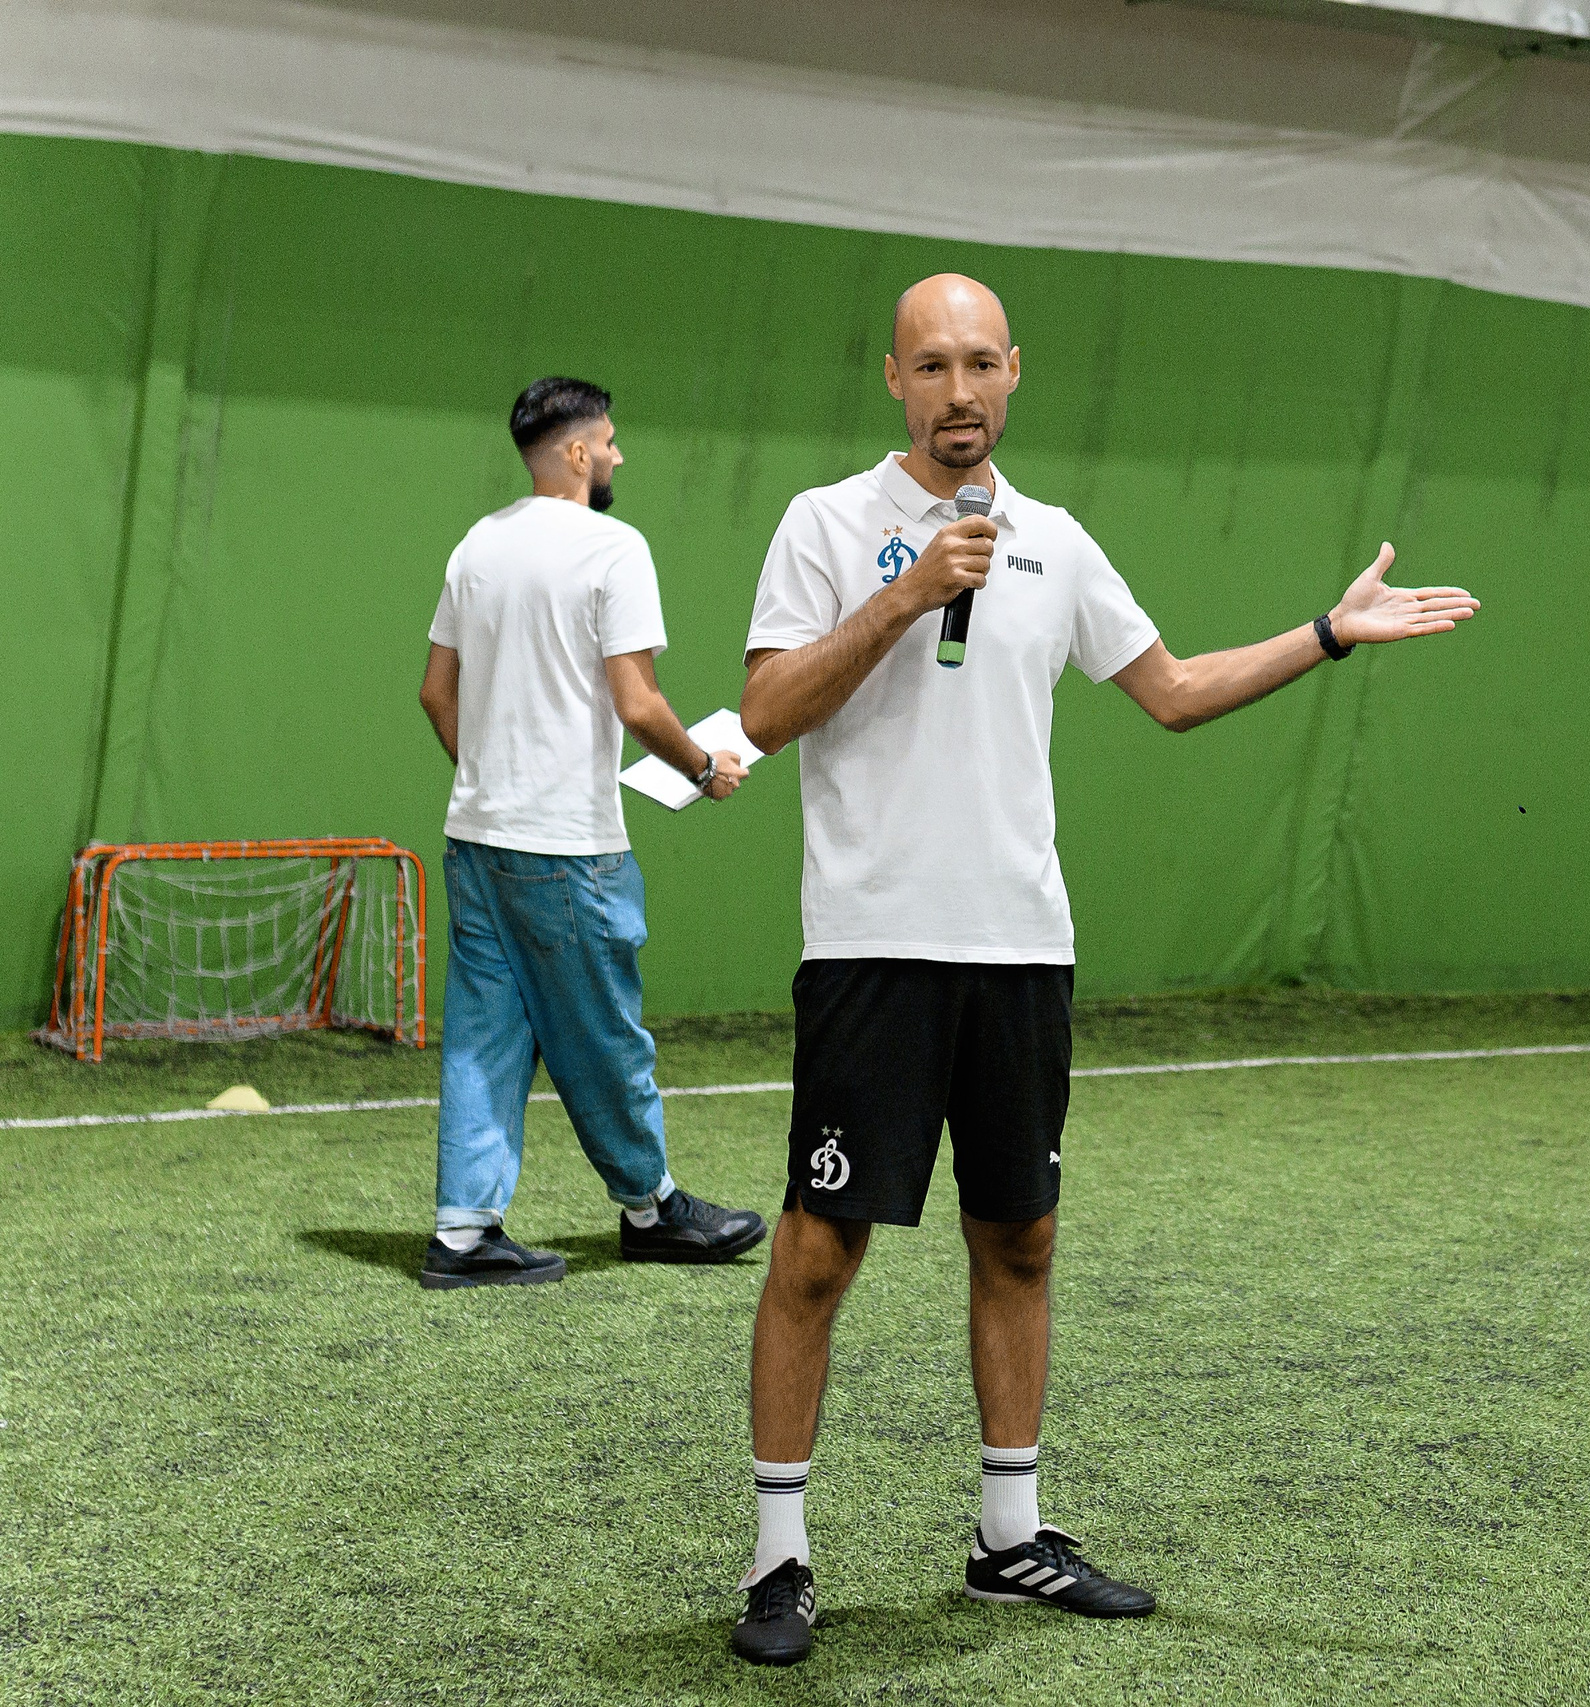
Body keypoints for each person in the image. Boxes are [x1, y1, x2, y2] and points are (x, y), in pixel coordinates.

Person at [725, 275, 1479, 1664]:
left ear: (1015, 373)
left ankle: (1009, 1538)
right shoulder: (826, 525)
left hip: (1022, 952)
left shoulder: (1056, 542)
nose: (959, 392)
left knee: (1020, 1236)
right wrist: (901, 596)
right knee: (818, 1250)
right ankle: (780, 1559)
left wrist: (1325, 635)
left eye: (981, 366)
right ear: (891, 377)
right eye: (930, 366)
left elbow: (1176, 691)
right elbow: (767, 711)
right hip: (876, 948)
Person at [415, 377, 765, 1290]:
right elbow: (638, 701)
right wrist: (702, 766)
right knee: (604, 1032)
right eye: (609, 441)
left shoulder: (475, 548)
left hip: (478, 838)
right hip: (568, 848)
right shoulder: (614, 547)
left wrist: (493, 780)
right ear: (576, 452)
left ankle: (462, 1232)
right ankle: (652, 1207)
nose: (617, 455)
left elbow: (435, 693)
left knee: (484, 1034)